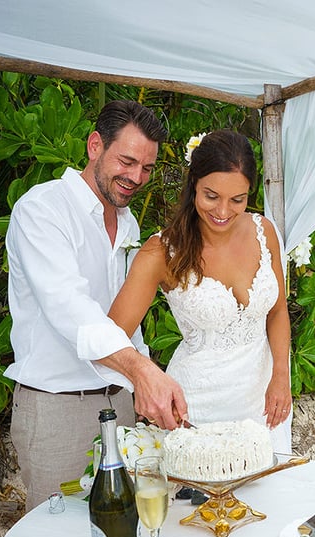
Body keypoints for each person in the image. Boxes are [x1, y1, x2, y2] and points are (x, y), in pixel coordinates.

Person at [5, 99, 187, 537]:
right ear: (93, 145)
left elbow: (123, 326)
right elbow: (71, 313)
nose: (134, 175)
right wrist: (142, 368)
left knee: (125, 532)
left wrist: (145, 382)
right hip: (54, 408)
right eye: (125, 160)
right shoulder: (41, 210)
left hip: (119, 407)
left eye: (145, 167)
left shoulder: (130, 228)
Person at [109, 129, 292, 448]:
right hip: (195, 413)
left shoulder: (265, 231)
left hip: (266, 405)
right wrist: (147, 378)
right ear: (193, 183)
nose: (223, 212)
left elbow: (277, 311)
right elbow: (110, 336)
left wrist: (281, 376)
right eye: (212, 196)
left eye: (238, 199)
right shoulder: (160, 252)